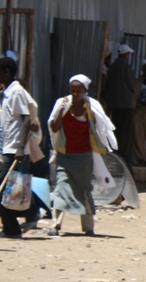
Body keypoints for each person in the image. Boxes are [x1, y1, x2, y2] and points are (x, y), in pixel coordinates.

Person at [47, 75, 117, 237]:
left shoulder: (92, 107)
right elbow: (54, 127)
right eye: (73, 90)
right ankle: (55, 225)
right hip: (65, 155)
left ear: (85, 91)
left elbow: (101, 129)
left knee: (84, 190)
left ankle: (88, 227)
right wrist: (61, 110)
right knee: (61, 189)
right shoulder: (62, 104)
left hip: (84, 157)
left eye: (79, 90)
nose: (75, 93)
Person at [0, 57, 31, 238]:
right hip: (6, 148)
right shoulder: (6, 93)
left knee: (5, 190)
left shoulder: (17, 92)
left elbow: (26, 118)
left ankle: (13, 229)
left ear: (7, 72)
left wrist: (20, 147)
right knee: (8, 192)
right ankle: (10, 229)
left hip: (14, 150)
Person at [105, 44, 137, 163]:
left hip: (114, 104)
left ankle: (116, 152)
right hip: (125, 104)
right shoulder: (126, 67)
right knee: (125, 131)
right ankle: (123, 155)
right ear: (126, 54)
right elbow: (133, 85)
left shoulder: (112, 67)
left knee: (116, 128)